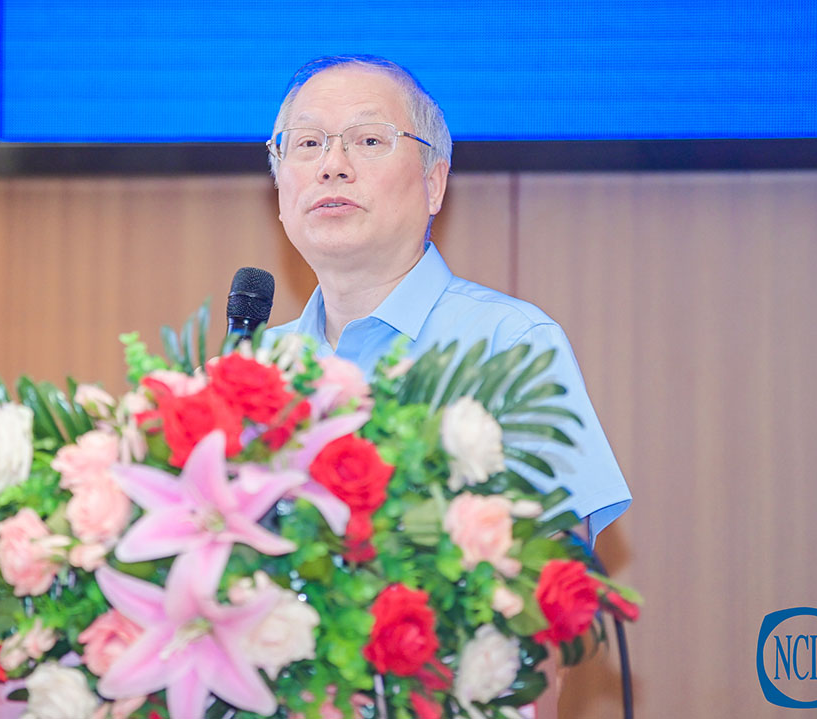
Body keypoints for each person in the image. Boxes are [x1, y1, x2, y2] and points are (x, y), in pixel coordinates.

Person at [263, 56, 631, 715]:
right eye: (308, 143)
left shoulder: (509, 345)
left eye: (367, 140)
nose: (332, 165)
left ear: (434, 183)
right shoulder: (254, 369)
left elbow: (543, 611)